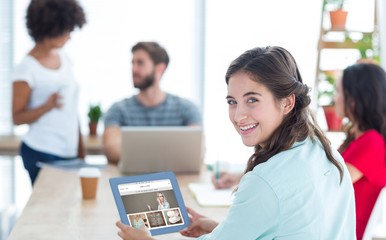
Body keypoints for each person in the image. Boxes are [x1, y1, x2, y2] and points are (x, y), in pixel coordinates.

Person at [116, 46, 356, 239]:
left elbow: (272, 199)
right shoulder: (326, 153)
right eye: (232, 102)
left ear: (287, 102)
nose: (238, 115)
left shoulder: (266, 181)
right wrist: (219, 229)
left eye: (252, 100)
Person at [12, 0, 86, 185]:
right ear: (51, 28)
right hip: (41, 150)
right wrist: (47, 106)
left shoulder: (65, 59)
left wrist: (80, 148)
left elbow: (71, 108)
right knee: (50, 210)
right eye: (66, 30)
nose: (69, 36)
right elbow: (17, 117)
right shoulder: (26, 68)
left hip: (69, 151)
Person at [103, 42, 202, 164]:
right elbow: (112, 150)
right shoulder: (118, 110)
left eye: (140, 63)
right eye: (132, 63)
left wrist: (141, 154)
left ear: (160, 68)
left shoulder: (187, 108)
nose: (134, 69)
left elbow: (198, 151)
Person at [335, 63, 386, 240]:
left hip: (343, 233)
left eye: (339, 92)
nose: (336, 98)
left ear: (355, 99)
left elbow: (329, 185)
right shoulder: (360, 140)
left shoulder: (371, 143)